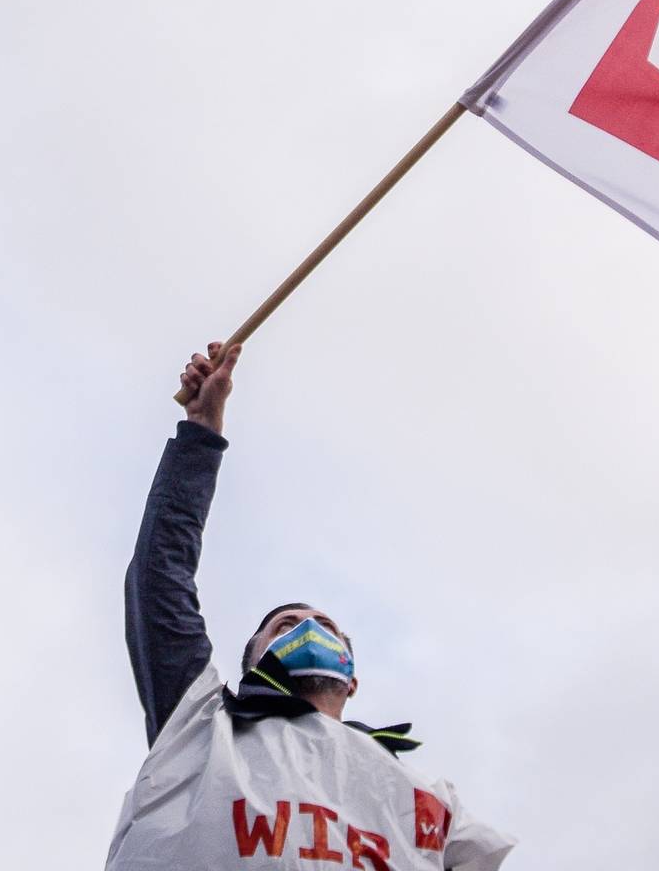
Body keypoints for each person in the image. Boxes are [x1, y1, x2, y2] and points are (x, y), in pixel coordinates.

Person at [105, 342, 515, 870]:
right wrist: (202, 431)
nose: (309, 629)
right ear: (252, 661)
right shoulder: (201, 726)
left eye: (325, 625)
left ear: (353, 679)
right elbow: (160, 574)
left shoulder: (421, 797)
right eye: (286, 625)